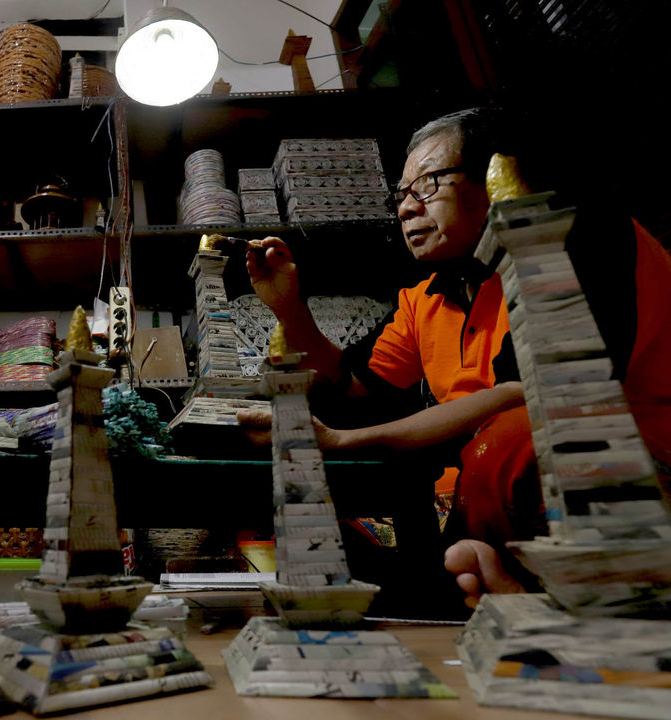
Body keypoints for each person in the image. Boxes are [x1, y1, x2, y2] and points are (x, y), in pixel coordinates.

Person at [239, 107, 671, 609]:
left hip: (633, 453)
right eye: (401, 194)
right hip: (485, 481)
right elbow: (354, 389)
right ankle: (464, 585)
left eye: (428, 184)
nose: (405, 208)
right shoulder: (426, 297)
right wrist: (289, 308)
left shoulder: (576, 235)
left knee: (516, 435)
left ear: (498, 174)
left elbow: (526, 394)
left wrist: (343, 439)